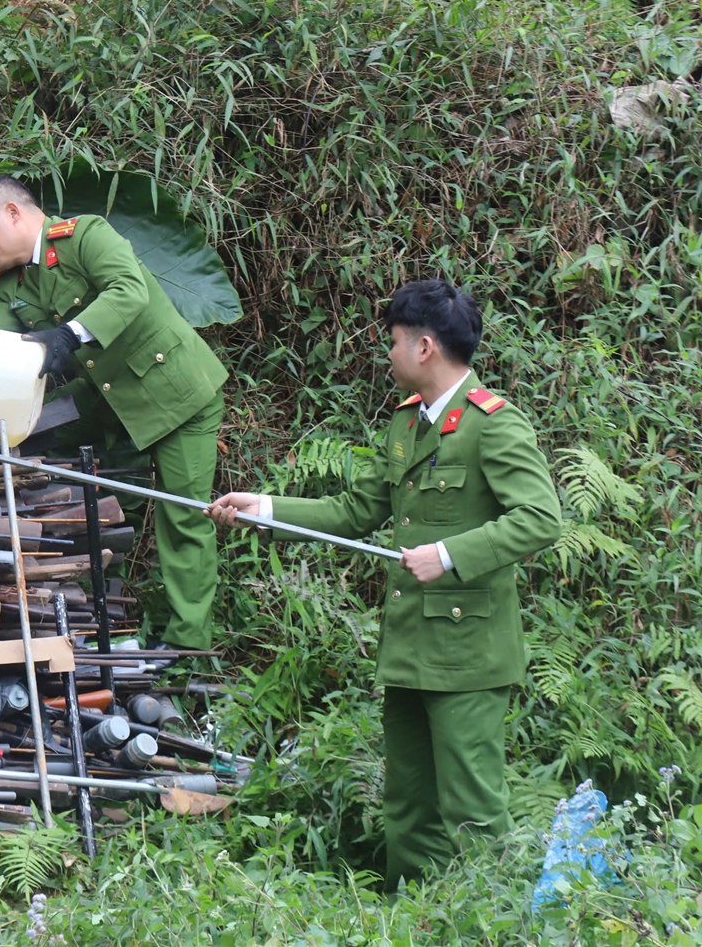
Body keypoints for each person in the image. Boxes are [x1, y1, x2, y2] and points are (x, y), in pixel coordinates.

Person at [207, 278, 562, 888]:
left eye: (393, 342)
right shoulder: (405, 425)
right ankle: (417, 918)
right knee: (407, 807)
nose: (388, 354)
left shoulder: (493, 425)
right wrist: (262, 509)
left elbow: (540, 518)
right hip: (409, 649)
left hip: (468, 653)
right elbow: (353, 510)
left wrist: (449, 554)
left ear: (425, 347)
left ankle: (501, 924)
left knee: (475, 808)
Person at [0, 174, 229, 651]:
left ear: (12, 213)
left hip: (176, 396)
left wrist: (69, 335)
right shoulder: (14, 283)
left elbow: (129, 290)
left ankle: (190, 648)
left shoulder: (85, 236)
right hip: (107, 400)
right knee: (31, 435)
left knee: (182, 517)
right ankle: (96, 610)